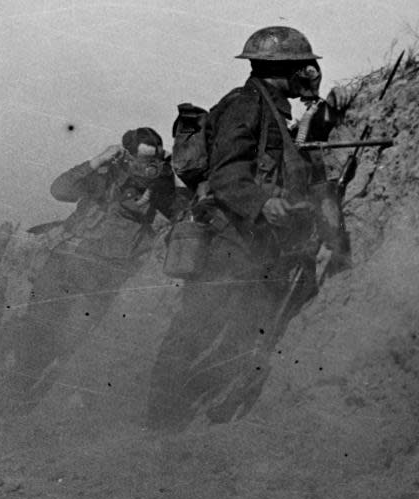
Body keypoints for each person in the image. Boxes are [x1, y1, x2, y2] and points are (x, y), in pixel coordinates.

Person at [147, 26, 351, 429]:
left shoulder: (274, 109)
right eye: (302, 67)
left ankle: (202, 413)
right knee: (197, 326)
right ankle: (159, 421)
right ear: (285, 68)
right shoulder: (246, 105)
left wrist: (316, 100)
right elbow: (226, 176)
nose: (308, 72)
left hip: (254, 241)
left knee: (239, 328)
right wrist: (263, 203)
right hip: (228, 239)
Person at [3, 128, 177, 410]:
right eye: (140, 159)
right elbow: (59, 190)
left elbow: (180, 213)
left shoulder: (159, 185)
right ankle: (12, 398)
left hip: (102, 274)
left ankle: (45, 404)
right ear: (125, 155)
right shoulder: (105, 175)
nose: (146, 167)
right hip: (64, 262)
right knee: (36, 333)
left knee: (73, 342)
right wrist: (96, 161)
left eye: (153, 160)